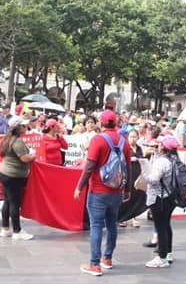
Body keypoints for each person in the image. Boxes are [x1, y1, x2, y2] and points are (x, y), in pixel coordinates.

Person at [73, 110, 132, 276]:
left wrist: (79, 187)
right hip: (116, 191)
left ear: (101, 123)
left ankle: (94, 264)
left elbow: (89, 167)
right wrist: (127, 190)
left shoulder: (97, 140)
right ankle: (107, 259)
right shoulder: (123, 141)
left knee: (97, 225)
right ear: (116, 123)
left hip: (98, 191)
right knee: (112, 224)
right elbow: (127, 167)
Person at [142, 135, 186, 268]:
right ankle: (168, 253)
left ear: (164, 147)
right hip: (170, 198)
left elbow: (154, 179)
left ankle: (162, 258)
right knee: (166, 225)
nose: (158, 145)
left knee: (161, 227)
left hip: (159, 198)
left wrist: (144, 174)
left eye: (160, 144)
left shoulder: (162, 162)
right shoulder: (174, 160)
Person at [0, 116, 35, 240]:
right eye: (23, 126)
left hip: (5, 173)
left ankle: (5, 228)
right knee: (14, 203)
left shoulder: (8, 139)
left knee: (7, 201)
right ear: (17, 127)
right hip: (13, 176)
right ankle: (17, 231)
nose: (25, 127)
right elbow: (24, 158)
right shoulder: (17, 141)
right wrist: (32, 156)